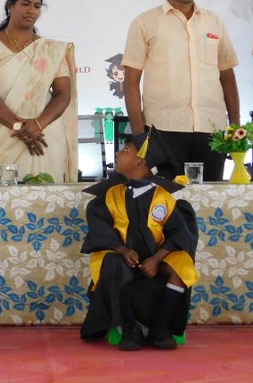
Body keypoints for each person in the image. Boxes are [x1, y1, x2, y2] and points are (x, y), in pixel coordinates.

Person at [122, 0, 240, 181]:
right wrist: (139, 135)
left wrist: (235, 126)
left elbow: (227, 76)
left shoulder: (214, 21)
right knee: (165, 197)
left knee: (210, 196)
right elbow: (131, 82)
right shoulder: (145, 22)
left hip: (212, 128)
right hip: (163, 129)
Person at [80, 130, 198, 351]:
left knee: (182, 264)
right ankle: (129, 326)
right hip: (124, 259)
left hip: (157, 260)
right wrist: (122, 250)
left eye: (125, 150)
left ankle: (161, 326)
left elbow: (178, 234)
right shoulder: (111, 196)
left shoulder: (163, 198)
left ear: (140, 163)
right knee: (112, 263)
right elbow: (101, 230)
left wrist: (156, 259)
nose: (118, 153)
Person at [0, 0, 77, 182]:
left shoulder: (50, 50)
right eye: (25, 4)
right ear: (10, 6)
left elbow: (63, 94)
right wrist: (19, 128)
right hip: (3, 136)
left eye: (37, 6)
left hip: (44, 137)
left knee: (48, 197)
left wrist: (38, 125)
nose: (31, 11)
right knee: (2, 198)